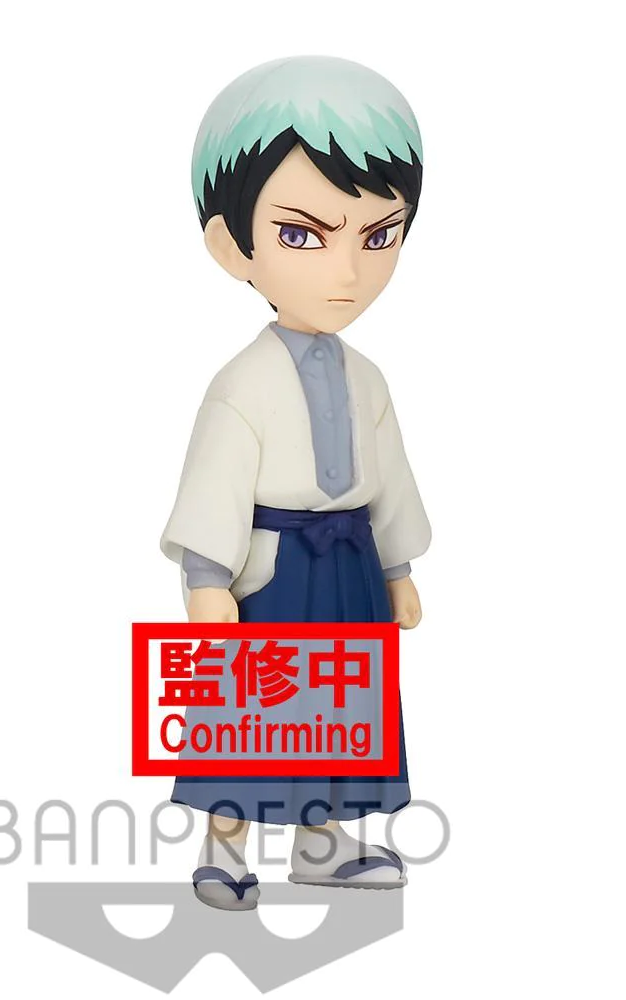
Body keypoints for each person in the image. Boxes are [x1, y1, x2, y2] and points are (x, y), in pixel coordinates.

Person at [159, 55, 432, 911]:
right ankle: (224, 851)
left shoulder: (369, 379)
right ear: (231, 244)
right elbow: (215, 483)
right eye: (304, 235)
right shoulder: (241, 385)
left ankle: (323, 844)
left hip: (350, 565)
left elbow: (390, 479)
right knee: (252, 718)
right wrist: (207, 580)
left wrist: (397, 568)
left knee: (343, 713)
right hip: (271, 571)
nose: (347, 271)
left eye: (377, 236)